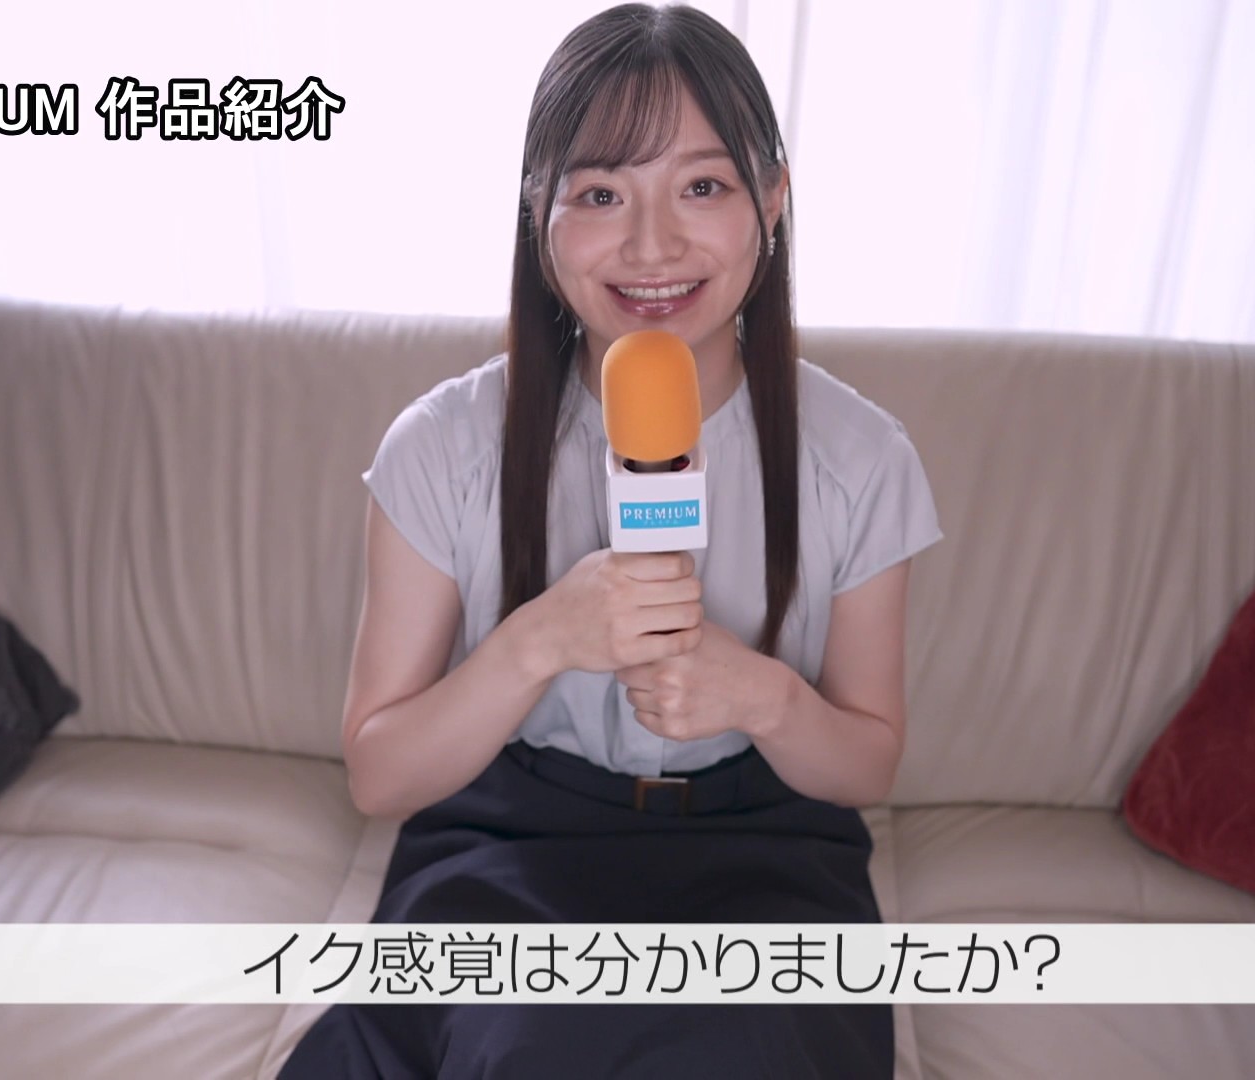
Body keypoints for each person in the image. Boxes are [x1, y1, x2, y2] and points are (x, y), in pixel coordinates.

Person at [278, 4, 941, 1077]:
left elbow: (868, 760)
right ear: (537, 211)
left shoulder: (862, 458)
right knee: (529, 1046)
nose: (652, 245)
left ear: (773, 200)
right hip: (512, 841)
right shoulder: (442, 447)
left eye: (702, 187)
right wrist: (539, 641)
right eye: (599, 195)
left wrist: (761, 697)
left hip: (765, 851)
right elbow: (379, 777)